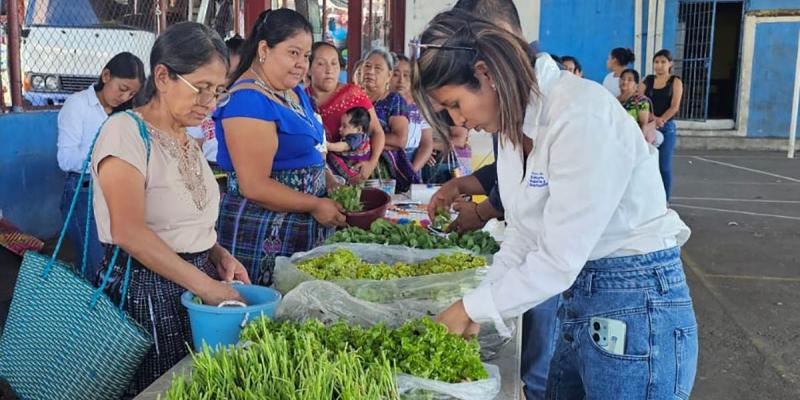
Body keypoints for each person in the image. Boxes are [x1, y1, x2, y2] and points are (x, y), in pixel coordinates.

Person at [414, 10, 696, 399]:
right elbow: (522, 237)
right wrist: (481, 307)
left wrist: (471, 308)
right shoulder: (515, 127)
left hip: (636, 300)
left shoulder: (578, 113)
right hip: (580, 293)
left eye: (456, 104)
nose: (459, 119)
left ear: (485, 74)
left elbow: (557, 259)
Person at [90, 22, 249, 396]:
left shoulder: (188, 141)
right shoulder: (125, 132)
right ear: (162, 77)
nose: (209, 103)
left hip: (193, 283)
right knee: (160, 388)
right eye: (201, 88)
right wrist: (206, 286)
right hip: (143, 291)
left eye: (218, 91)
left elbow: (182, 220)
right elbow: (129, 231)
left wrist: (217, 254)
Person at [214, 9, 346, 286]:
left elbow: (311, 148)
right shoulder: (248, 101)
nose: (302, 64)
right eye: (293, 53)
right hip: (263, 234)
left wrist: (329, 179)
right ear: (264, 49)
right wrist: (314, 204)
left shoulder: (293, 91)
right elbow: (254, 185)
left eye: (306, 55)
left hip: (302, 228)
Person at [57, 51, 145, 282]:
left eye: (132, 93)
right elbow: (65, 159)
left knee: (118, 265)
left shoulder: (127, 114)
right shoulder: (78, 105)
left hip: (118, 192)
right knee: (95, 267)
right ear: (106, 76)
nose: (124, 96)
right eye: (122, 88)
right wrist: (107, 161)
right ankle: (90, 317)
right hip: (84, 192)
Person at [306, 41, 386, 182]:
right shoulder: (301, 99)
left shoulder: (353, 94)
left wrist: (371, 164)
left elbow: (377, 132)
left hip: (355, 171)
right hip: (316, 175)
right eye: (321, 64)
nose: (329, 70)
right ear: (308, 68)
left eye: (334, 63)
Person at [362, 48, 419, 193]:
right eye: (367, 66)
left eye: (378, 68)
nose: (370, 71)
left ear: (388, 76)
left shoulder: (394, 100)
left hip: (387, 175)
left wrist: (362, 141)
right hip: (357, 170)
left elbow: (400, 140)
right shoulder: (353, 98)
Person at [640, 49, 683, 201]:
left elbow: (674, 106)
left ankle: (664, 200)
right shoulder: (648, 80)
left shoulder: (675, 82)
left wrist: (661, 120)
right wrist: (652, 117)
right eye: (656, 62)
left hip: (666, 127)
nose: (659, 66)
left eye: (663, 62)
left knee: (664, 166)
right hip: (647, 125)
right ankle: (649, 200)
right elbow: (640, 100)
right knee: (646, 165)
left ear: (670, 64)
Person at [391, 54, 434, 178]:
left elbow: (427, 144)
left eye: (406, 75)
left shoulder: (420, 106)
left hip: (413, 160)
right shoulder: (381, 104)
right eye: (395, 74)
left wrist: (411, 171)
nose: (401, 80)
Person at [618, 68, 661, 145]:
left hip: (633, 140)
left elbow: (643, 124)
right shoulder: (615, 100)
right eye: (623, 79)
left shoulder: (641, 101)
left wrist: (640, 144)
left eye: (630, 80)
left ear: (636, 84)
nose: (625, 82)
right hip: (619, 138)